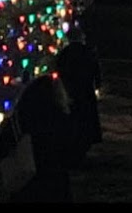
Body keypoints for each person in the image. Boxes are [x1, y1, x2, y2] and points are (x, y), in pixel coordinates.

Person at [0, 73, 73, 202]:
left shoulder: (20, 120)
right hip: (56, 185)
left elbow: (2, 145)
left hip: (27, 187)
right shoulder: (61, 119)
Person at [54, 30, 103, 165]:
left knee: (75, 119)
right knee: (84, 120)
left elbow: (59, 68)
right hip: (84, 91)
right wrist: (97, 83)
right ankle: (80, 146)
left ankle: (75, 146)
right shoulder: (86, 52)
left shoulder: (67, 53)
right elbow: (95, 70)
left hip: (72, 91)